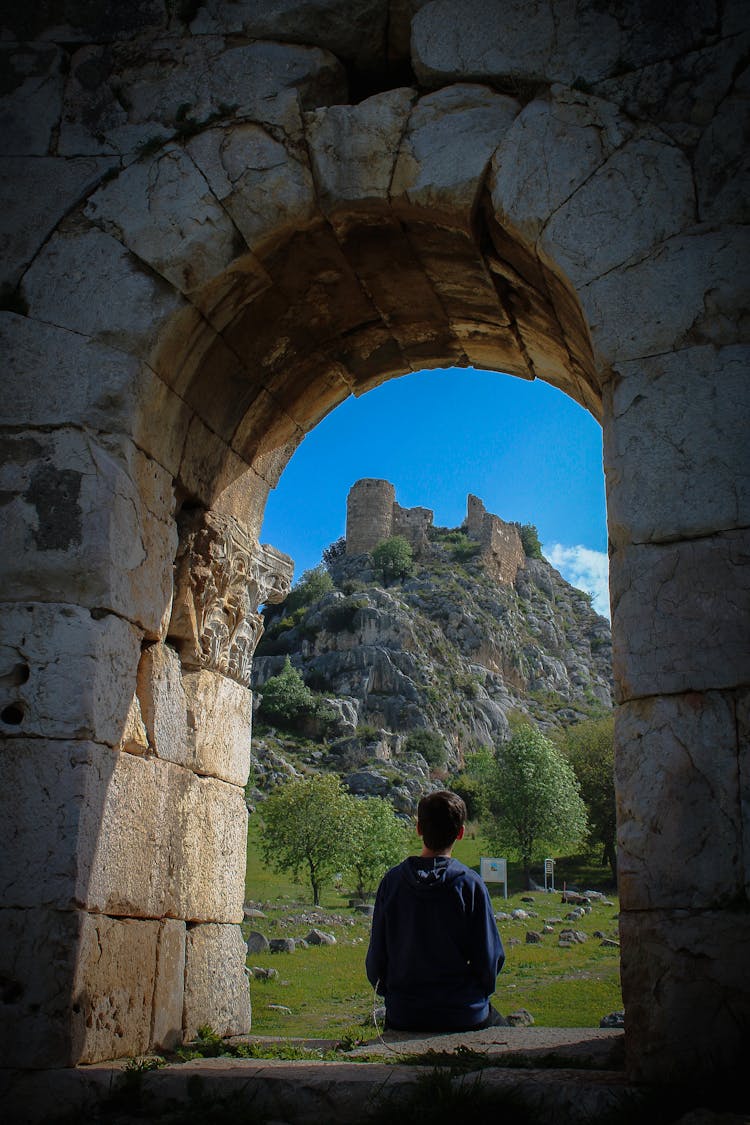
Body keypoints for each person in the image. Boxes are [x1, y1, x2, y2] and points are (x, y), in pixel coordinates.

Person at [365, 789, 506, 1032]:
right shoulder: (469, 884)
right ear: (461, 833)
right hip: (463, 1013)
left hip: (404, 1014)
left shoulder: (392, 882)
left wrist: (397, 996)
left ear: (419, 829)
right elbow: (490, 959)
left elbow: (376, 961)